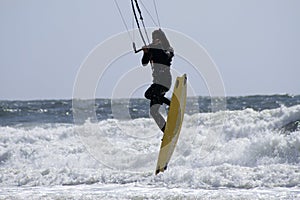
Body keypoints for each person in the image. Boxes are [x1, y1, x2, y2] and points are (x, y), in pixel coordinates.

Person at [141, 29, 174, 132]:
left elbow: (166, 57)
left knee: (149, 94)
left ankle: (171, 104)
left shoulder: (167, 49)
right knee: (153, 111)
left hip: (165, 81)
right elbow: (144, 63)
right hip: (156, 83)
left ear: (162, 38)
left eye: (157, 37)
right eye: (154, 37)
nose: (155, 39)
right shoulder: (153, 49)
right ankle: (166, 131)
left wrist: (158, 47)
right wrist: (146, 52)